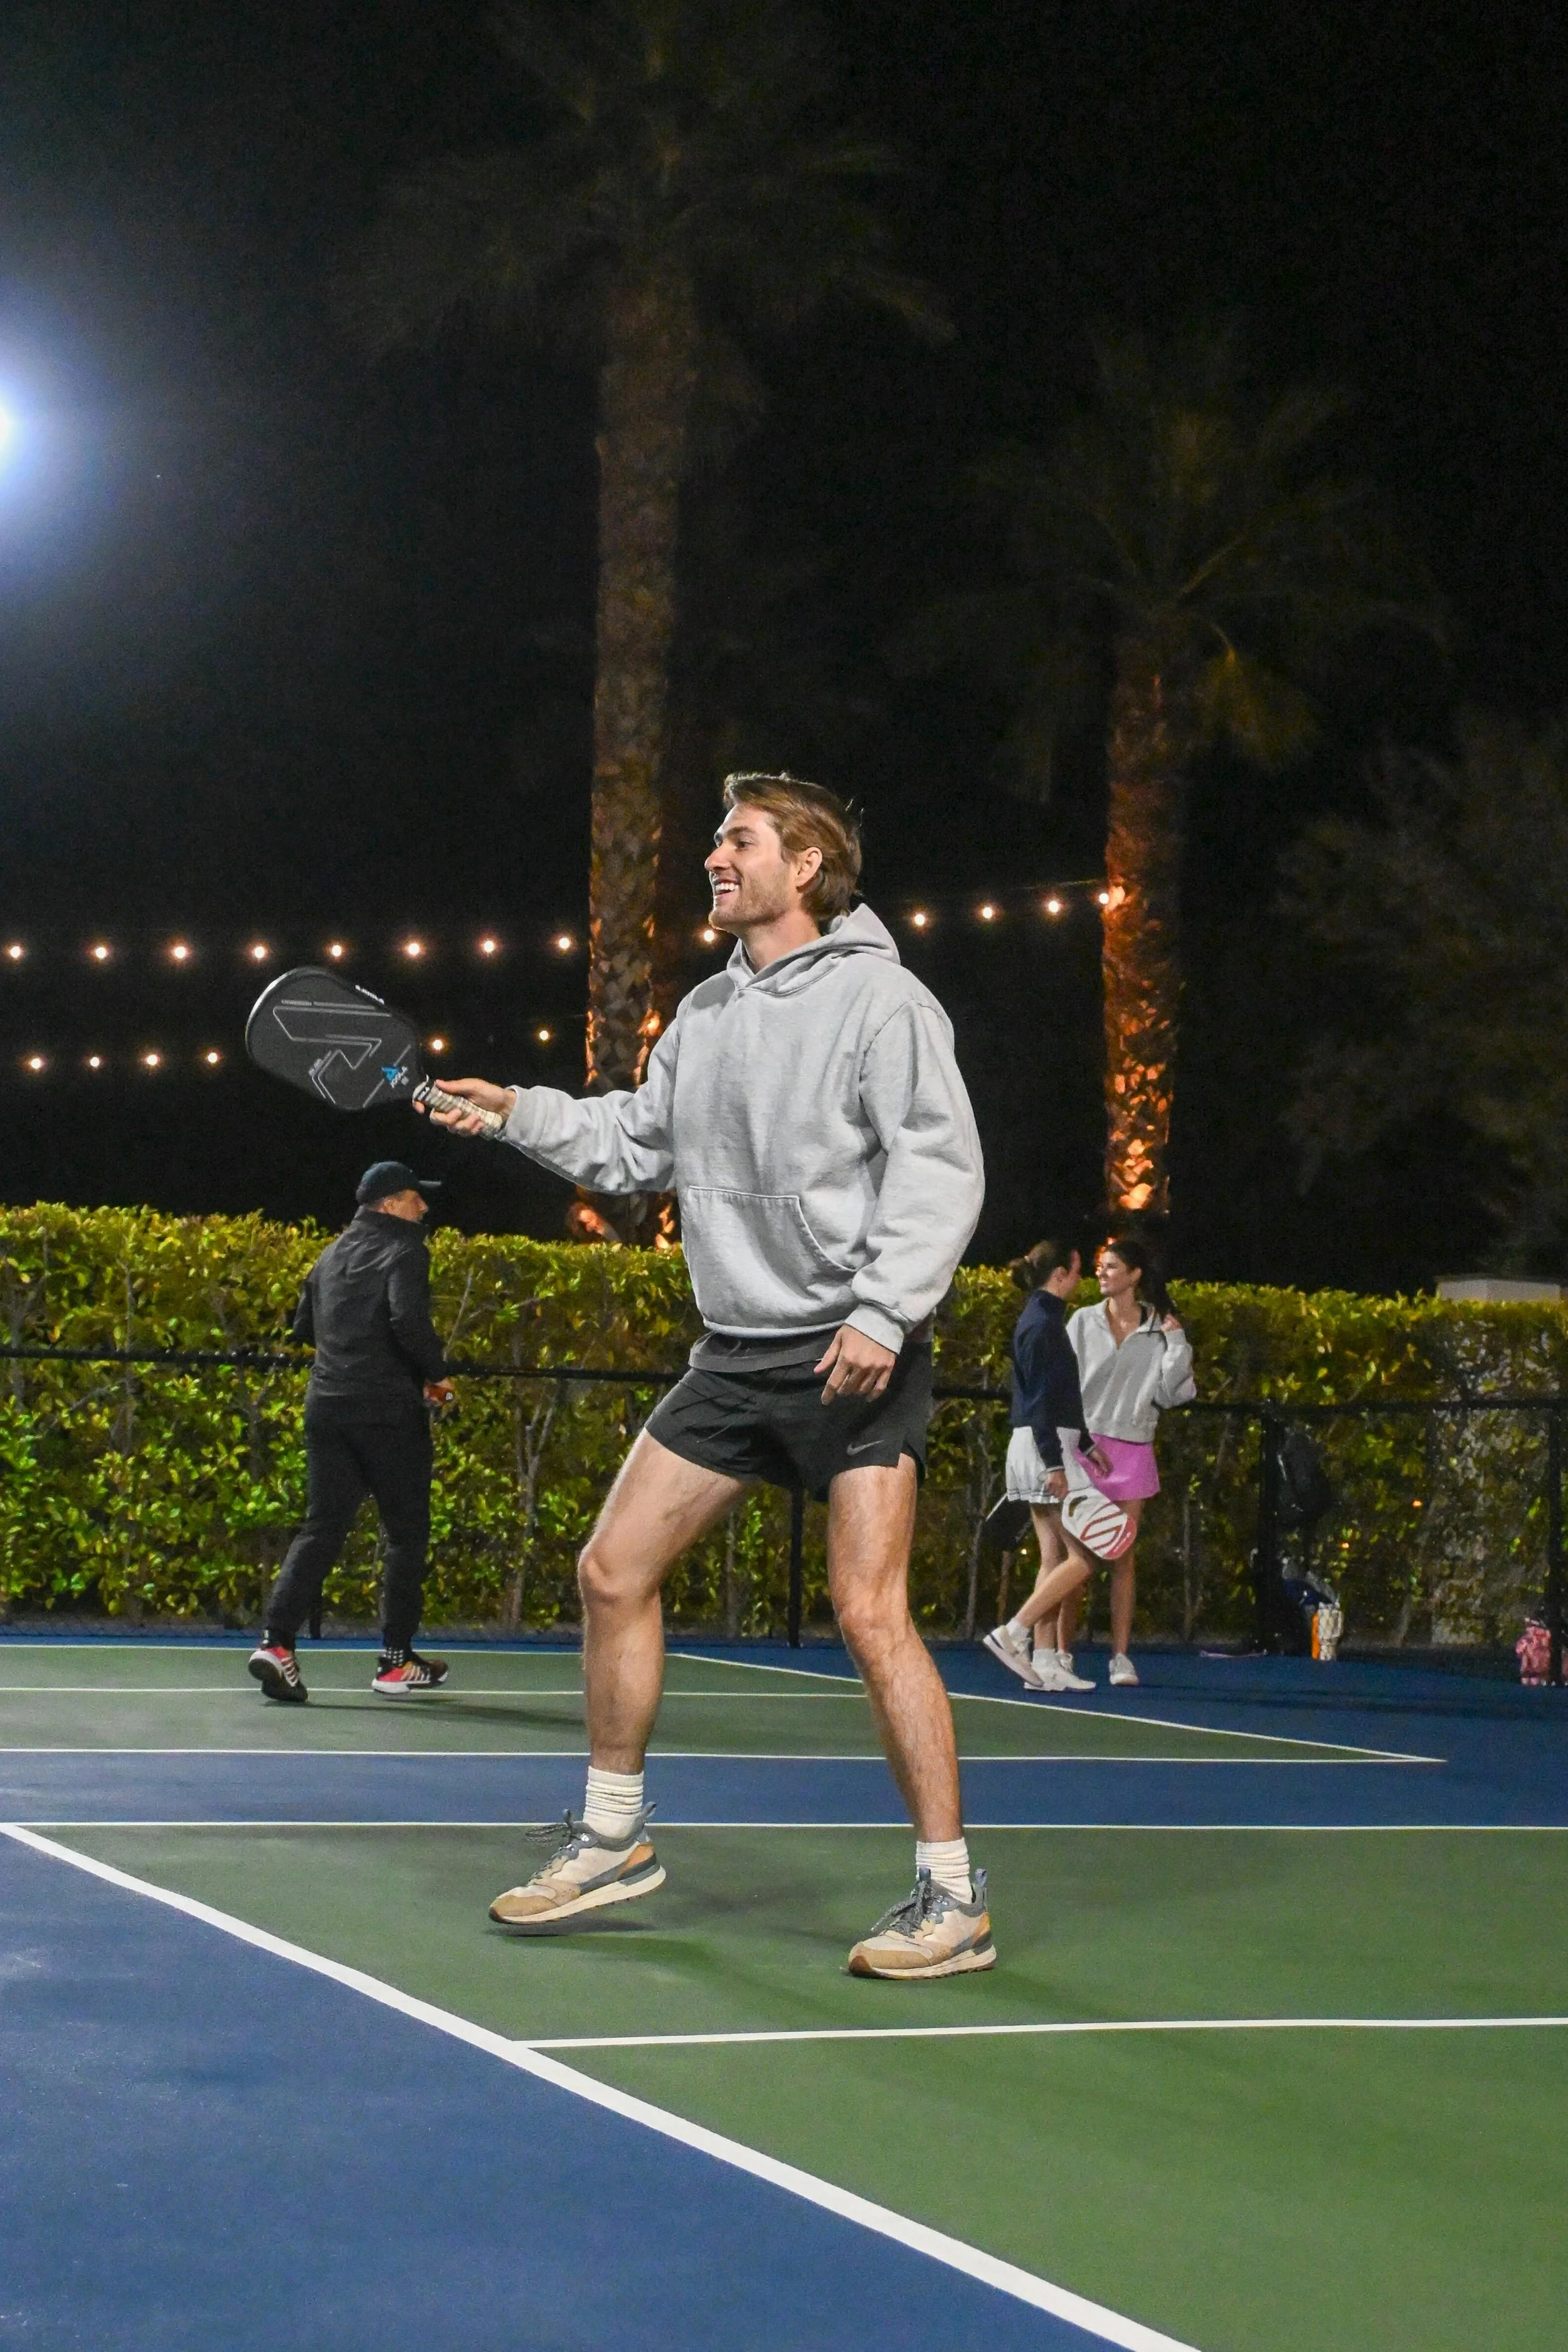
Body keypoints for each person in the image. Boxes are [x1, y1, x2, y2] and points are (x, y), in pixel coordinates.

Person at [426, 771, 991, 1978]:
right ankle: (615, 1836)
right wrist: (516, 1112)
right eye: (715, 842)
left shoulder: (884, 1003)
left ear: (807, 867)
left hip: (853, 1351)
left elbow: (940, 1169)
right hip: (735, 1354)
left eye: (737, 841)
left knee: (868, 1612)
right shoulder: (705, 1015)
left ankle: (952, 1897)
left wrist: (887, 1316)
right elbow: (637, 1143)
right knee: (611, 1570)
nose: (712, 860)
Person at [248, 1160, 456, 1705]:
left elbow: (303, 1328)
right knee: (407, 1535)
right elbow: (407, 1320)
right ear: (390, 1204)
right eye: (416, 1198)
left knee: (323, 1527)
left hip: (326, 1408)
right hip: (387, 1412)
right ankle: (395, 1662)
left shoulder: (330, 1254)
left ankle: (277, 1643)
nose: (424, 1208)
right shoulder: (407, 1249)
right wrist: (436, 1376)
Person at [997, 1230, 1195, 1688]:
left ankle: (1086, 1657)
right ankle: (1042, 1646)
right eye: (1093, 1267)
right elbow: (1051, 1394)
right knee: (1078, 1556)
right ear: (1061, 1274)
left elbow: (1172, 1393)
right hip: (1070, 1449)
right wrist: (1067, 1451)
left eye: (1110, 1267)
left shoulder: (1157, 1325)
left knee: (1100, 1554)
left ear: (1135, 1276)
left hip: (1112, 1448)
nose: (1098, 1274)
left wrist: (1179, 1345)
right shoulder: (1074, 1321)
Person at [982, 1238, 1105, 1696]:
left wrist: (1087, 1444)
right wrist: (1056, 1461)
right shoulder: (1042, 1325)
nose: (1081, 1279)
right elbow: (1037, 1402)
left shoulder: (1047, 1320)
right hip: (1044, 1449)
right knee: (1087, 1555)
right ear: (1059, 1274)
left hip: (1050, 1445)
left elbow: (1058, 1396)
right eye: (1078, 1270)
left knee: (1053, 1556)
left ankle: (1045, 1660)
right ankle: (1013, 1633)